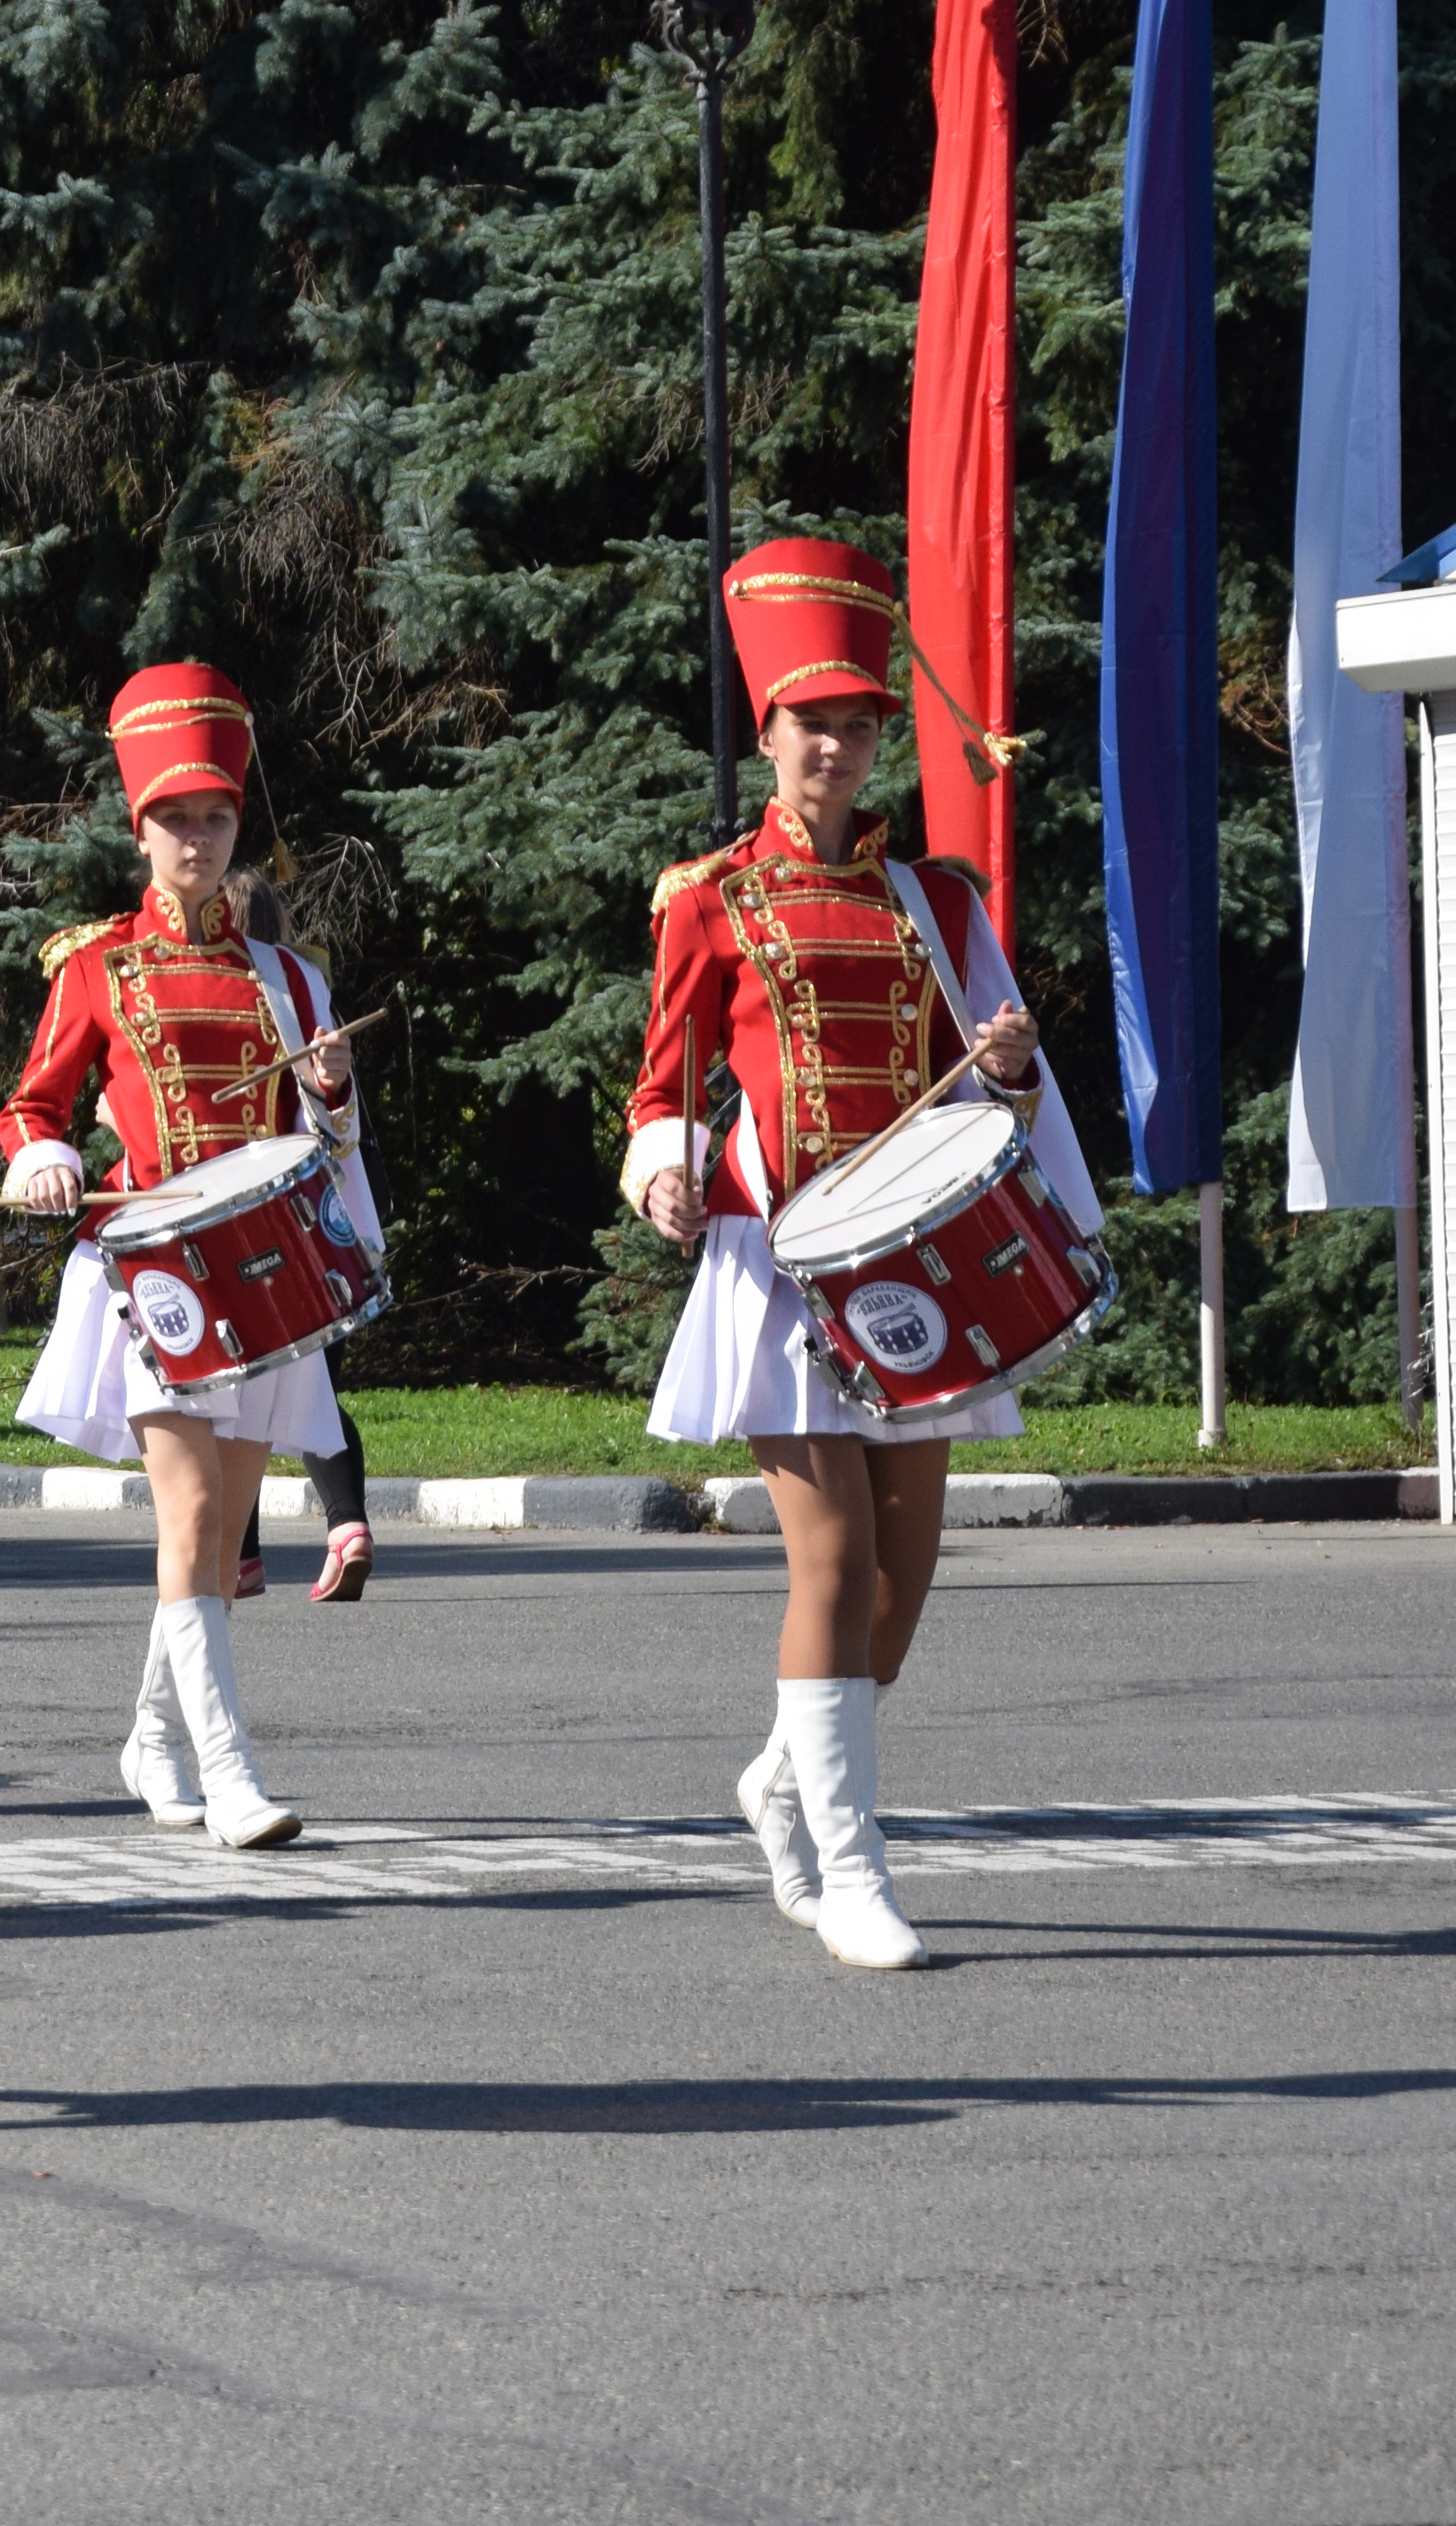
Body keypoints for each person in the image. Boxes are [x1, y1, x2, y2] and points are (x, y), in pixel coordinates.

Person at [625, 538, 1088, 1974]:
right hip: (778, 1262)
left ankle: (780, 1777)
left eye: (859, 722)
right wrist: (663, 1167)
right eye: (810, 720)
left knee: (903, 1583)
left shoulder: (937, 902)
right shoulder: (706, 897)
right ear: (766, 735)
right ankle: (849, 1867)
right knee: (827, 1568)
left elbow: (990, 1092)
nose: (835, 744)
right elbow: (661, 1086)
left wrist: (1006, 1066)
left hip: (919, 1272)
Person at [0, 663, 376, 1851]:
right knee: (196, 1510)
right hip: (153, 1276)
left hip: (264, 1279)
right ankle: (231, 1774)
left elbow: (325, 1148)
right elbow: (30, 1107)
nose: (196, 840)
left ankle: (151, 1739)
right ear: (139, 829)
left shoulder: (290, 976)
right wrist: (41, 1161)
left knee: (219, 1537)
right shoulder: (98, 967)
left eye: (214, 818)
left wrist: (334, 1094)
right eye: (174, 819)